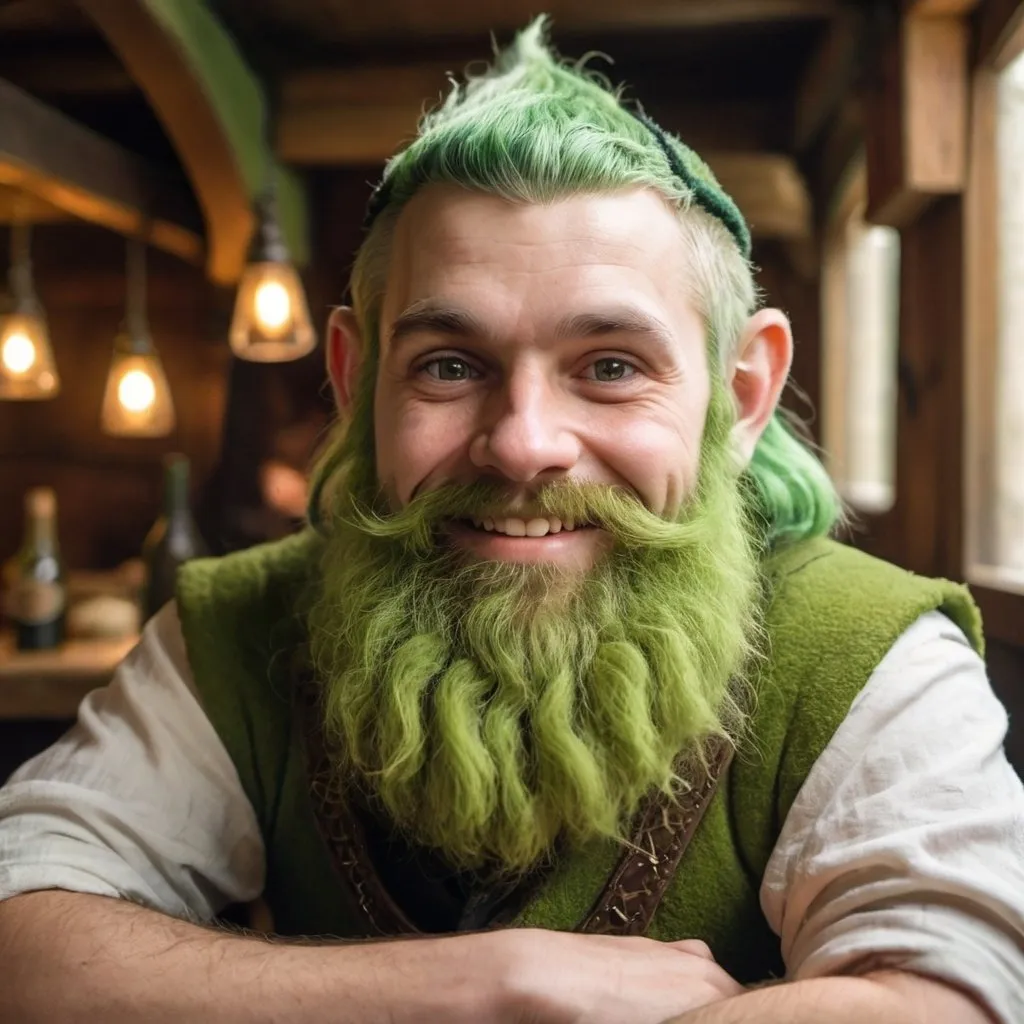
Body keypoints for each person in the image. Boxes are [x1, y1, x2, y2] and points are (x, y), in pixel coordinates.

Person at [1, 19, 1022, 1024]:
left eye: (611, 366)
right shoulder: (233, 628)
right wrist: (486, 983)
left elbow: (950, 995)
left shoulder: (870, 655)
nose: (525, 443)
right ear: (357, 382)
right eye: (450, 365)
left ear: (742, 393)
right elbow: (19, 933)